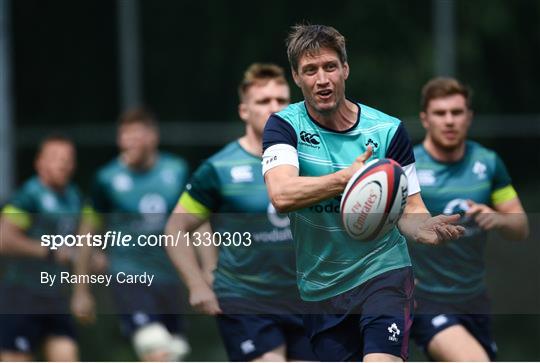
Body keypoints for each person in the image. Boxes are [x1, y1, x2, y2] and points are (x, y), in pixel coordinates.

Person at [262, 24, 465, 362]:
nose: (322, 79)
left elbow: (411, 209)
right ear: (297, 78)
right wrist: (346, 179)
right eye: (310, 70)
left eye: (329, 66)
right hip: (321, 288)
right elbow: (282, 195)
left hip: (383, 274)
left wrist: (423, 227)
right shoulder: (284, 126)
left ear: (345, 69)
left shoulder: (387, 130)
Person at [165, 63, 317, 362]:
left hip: (305, 300)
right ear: (244, 111)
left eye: (281, 101)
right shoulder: (218, 168)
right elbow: (175, 229)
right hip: (246, 299)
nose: (274, 108)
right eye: (263, 101)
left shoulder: (311, 160)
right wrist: (197, 284)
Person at [409, 77, 529, 361]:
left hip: (475, 299)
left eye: (457, 112)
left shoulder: (488, 163)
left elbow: (520, 227)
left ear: (469, 117)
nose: (449, 121)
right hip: (425, 299)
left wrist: (498, 219)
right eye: (440, 113)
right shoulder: (408, 168)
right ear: (425, 119)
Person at [72, 108, 191, 361]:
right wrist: (81, 290)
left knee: (175, 351)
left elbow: (196, 223)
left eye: (135, 135)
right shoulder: (106, 179)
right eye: (124, 136)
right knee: (154, 346)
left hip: (169, 276)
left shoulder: (177, 170)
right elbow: (87, 231)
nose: (128, 142)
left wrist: (203, 275)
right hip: (129, 276)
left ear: (152, 137)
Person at [0, 136, 81, 361]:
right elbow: (4, 239)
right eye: (55, 158)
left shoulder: (73, 197)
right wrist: (50, 251)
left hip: (55, 297)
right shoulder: (28, 196)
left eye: (67, 159)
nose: (62, 164)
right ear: (40, 163)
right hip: (21, 296)